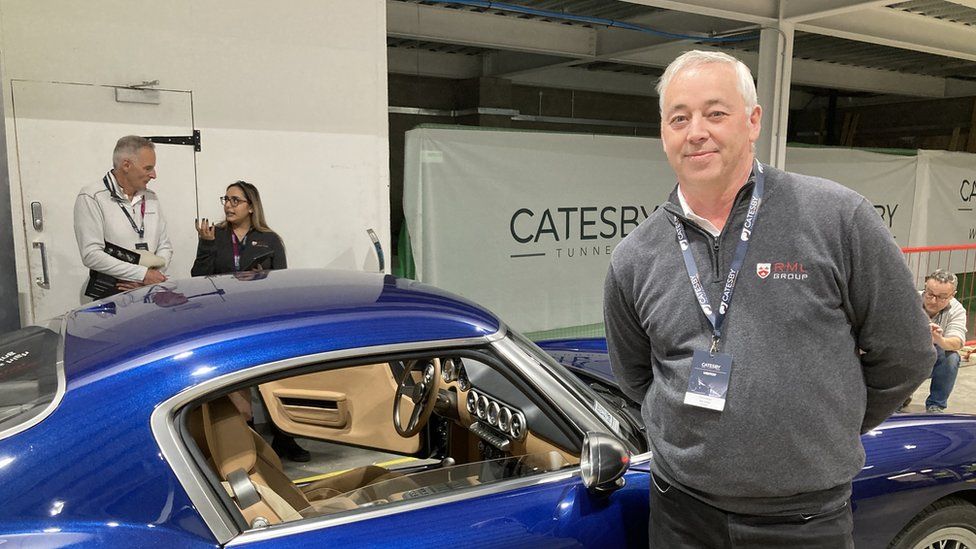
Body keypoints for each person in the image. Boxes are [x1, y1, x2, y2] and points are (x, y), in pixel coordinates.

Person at [603, 50, 934, 548]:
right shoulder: (634, 257)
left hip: (805, 522)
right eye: (679, 118)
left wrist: (827, 425)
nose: (697, 131)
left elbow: (906, 353)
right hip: (681, 515)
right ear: (664, 133)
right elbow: (636, 378)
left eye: (716, 113)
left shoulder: (838, 219)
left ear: (753, 120)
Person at [190, 181, 307, 461]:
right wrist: (206, 246)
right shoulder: (214, 235)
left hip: (259, 319)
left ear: (251, 206)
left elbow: (282, 284)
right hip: (225, 319)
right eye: (226, 199)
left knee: (271, 380)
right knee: (238, 384)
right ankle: (246, 443)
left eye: (235, 200)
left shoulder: (269, 239)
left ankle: (284, 437)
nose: (228, 205)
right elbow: (197, 278)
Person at [74, 135, 172, 294]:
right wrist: (142, 275)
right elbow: (91, 254)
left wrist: (153, 277)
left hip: (150, 290)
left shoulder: (151, 197)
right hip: (112, 295)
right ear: (126, 165)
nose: (154, 175)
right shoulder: (92, 196)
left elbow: (165, 245)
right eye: (148, 168)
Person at [921, 269, 968, 413]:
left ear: (952, 296)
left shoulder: (957, 310)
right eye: (930, 294)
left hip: (933, 357)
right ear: (925, 287)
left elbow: (958, 341)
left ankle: (936, 405)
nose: (933, 301)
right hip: (905, 355)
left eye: (941, 297)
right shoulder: (908, 300)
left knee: (952, 357)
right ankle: (896, 400)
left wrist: (939, 339)